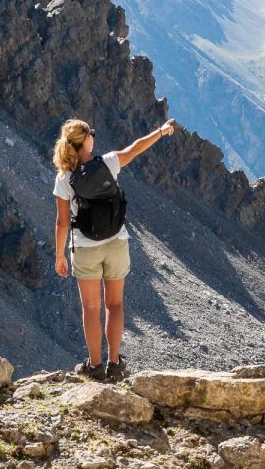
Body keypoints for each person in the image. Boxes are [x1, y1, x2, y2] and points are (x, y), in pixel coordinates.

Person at [53, 117, 176, 381]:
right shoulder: (107, 163)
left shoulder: (64, 178)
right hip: (116, 243)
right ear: (86, 140)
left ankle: (94, 366)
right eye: (91, 134)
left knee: (91, 308)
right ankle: (115, 362)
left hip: (85, 248)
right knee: (115, 304)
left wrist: (59, 255)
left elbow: (62, 221)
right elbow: (135, 148)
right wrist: (161, 131)